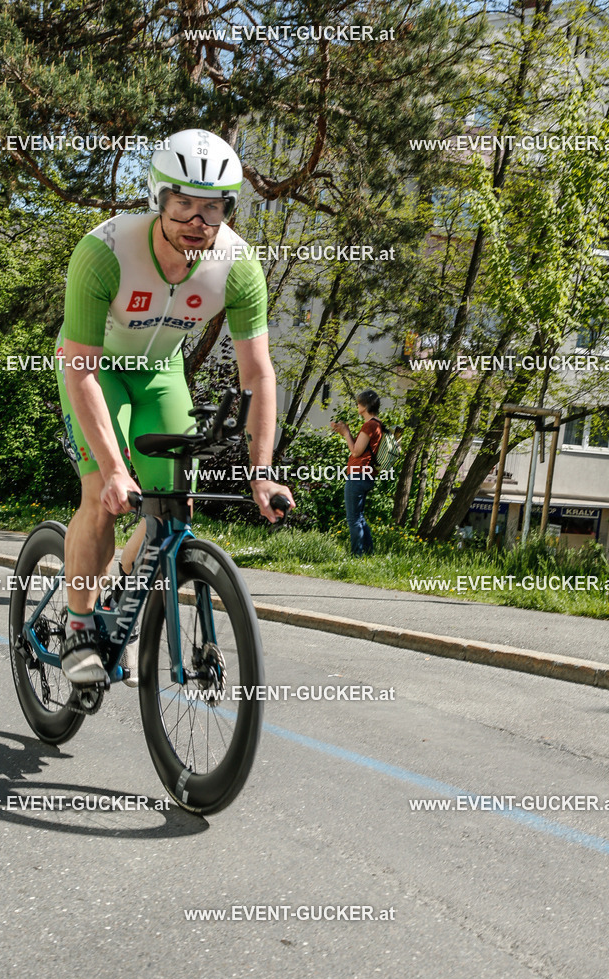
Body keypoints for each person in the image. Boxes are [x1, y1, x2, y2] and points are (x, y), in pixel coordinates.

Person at [56, 128, 294, 688]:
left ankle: (119, 584)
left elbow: (257, 371)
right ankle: (77, 623)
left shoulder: (237, 265)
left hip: (161, 372)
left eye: (211, 207)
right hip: (96, 370)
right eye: (183, 202)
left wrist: (262, 474)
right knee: (103, 495)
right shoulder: (104, 253)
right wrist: (114, 470)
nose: (197, 219)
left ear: (226, 208)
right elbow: (80, 367)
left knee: (173, 505)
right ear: (158, 198)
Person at [331, 389, 384, 557]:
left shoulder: (370, 425)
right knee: (359, 517)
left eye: (359, 402)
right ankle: (368, 554)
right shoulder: (378, 424)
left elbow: (356, 451)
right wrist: (345, 431)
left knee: (353, 518)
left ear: (365, 406)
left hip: (358, 475)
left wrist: (346, 433)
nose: (357, 405)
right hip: (367, 475)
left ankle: (356, 555)